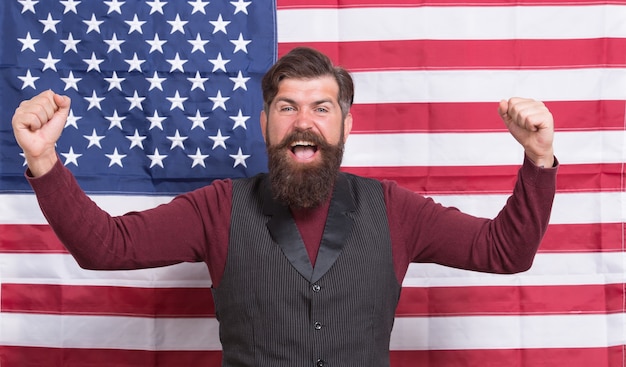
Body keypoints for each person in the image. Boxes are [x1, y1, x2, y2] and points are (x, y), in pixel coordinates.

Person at [12, 47, 557, 367]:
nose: (304, 120)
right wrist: (44, 160)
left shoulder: (394, 209)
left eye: (323, 107)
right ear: (267, 123)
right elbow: (105, 246)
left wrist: (537, 158)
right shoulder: (217, 207)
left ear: (346, 124)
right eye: (287, 106)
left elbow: (504, 251)